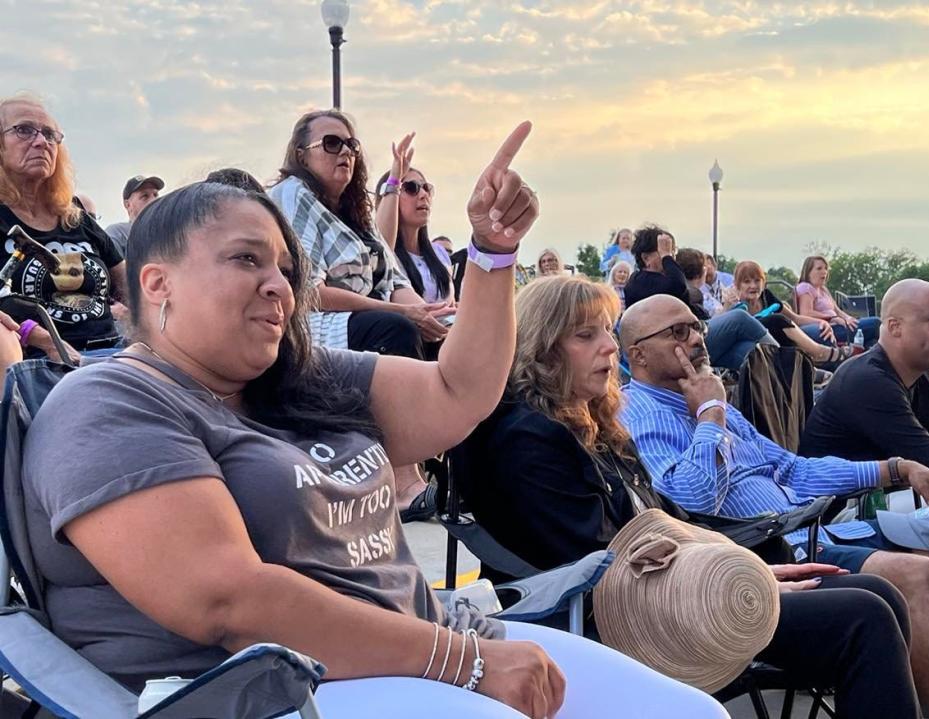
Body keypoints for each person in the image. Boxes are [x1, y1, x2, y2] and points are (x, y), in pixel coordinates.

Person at [20, 130, 727, 719]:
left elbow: (460, 390)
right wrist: (467, 663)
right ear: (157, 283)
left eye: (287, 268)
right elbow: (228, 598)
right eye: (245, 259)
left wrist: (490, 254)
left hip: (425, 647)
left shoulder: (299, 377)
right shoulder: (111, 404)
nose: (279, 285)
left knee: (691, 712)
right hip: (264, 691)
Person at [464, 275, 918, 718]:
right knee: (864, 617)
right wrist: (735, 575)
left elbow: (669, 519)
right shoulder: (530, 440)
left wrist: (751, 568)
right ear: (543, 350)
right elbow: (598, 560)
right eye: (587, 335)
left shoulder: (592, 422)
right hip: (630, 618)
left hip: (673, 585)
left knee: (879, 593)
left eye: (607, 330)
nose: (609, 346)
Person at [619, 293, 929, 717]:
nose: (697, 339)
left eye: (697, 327)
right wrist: (709, 413)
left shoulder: (711, 400)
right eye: (678, 332)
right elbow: (691, 499)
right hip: (755, 552)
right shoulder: (643, 413)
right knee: (920, 572)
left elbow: (792, 470)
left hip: (805, 530)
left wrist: (896, 469)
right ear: (639, 355)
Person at [268, 110, 450, 519]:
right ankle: (404, 482)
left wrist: (434, 313)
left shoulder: (356, 216)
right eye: (331, 143)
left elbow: (396, 284)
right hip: (310, 327)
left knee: (453, 337)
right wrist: (403, 314)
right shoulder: (294, 196)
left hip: (361, 320)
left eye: (351, 144)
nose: (345, 152)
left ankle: (468, 475)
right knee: (394, 328)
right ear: (301, 154)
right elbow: (307, 292)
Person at [801, 279, 929, 483]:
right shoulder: (868, 381)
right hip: (839, 507)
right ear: (895, 327)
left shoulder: (925, 379)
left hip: (883, 499)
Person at [0, 96, 126, 352]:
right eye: (24, 130)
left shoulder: (75, 215)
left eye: (49, 134)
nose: (41, 142)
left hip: (111, 354)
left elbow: (133, 287)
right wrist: (44, 341)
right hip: (34, 363)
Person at [623, 228, 776, 370]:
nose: (671, 256)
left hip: (692, 337)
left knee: (751, 352)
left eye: (671, 250)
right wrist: (667, 257)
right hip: (676, 345)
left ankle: (783, 378)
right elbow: (677, 286)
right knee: (740, 318)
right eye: (664, 250)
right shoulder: (639, 282)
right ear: (646, 257)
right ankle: (787, 360)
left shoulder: (660, 280)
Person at [732, 260, 848, 367]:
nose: (753, 286)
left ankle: (836, 372)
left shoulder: (766, 297)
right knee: (776, 320)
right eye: (746, 282)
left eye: (757, 280)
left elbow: (794, 318)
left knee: (821, 331)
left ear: (763, 282)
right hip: (753, 342)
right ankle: (819, 353)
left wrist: (822, 322)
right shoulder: (735, 304)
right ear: (737, 285)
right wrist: (728, 306)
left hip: (777, 340)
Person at [374, 167, 454, 304]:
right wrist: (393, 182)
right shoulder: (381, 257)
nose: (423, 195)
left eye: (426, 188)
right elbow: (382, 247)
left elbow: (451, 302)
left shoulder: (440, 253)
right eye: (412, 188)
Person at [795, 255, 880, 347]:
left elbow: (837, 310)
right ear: (808, 272)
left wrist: (848, 318)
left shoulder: (823, 290)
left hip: (840, 325)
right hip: (829, 328)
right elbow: (806, 313)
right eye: (819, 268)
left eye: (826, 268)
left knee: (872, 341)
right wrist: (832, 318)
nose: (824, 272)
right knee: (876, 324)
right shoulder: (805, 287)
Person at [105, 174, 164, 257]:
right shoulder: (118, 233)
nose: (154, 200)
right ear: (128, 205)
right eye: (145, 196)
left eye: (155, 195)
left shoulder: (170, 232)